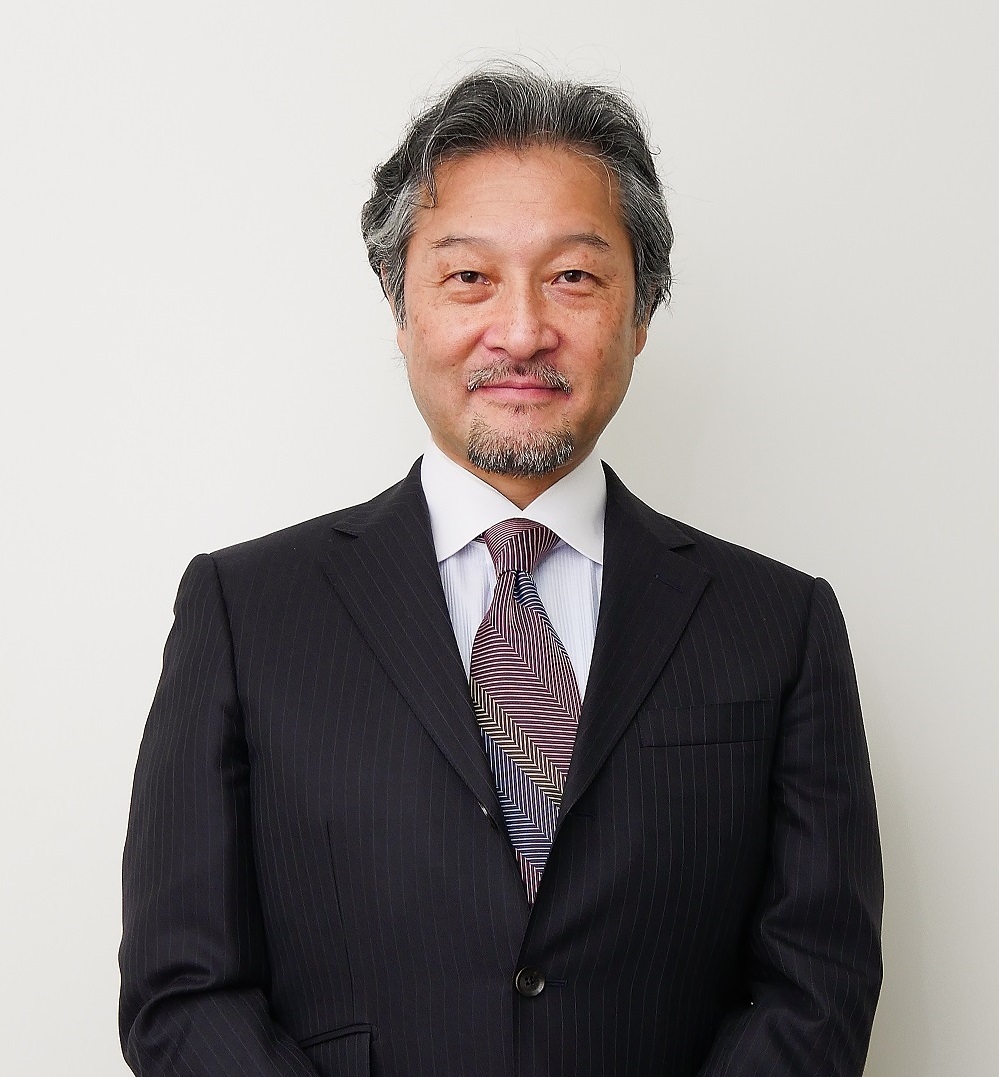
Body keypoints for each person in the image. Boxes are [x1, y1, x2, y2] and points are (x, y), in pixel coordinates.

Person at [119, 66, 883, 1077]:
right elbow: (182, 989)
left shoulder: (777, 624)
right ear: (401, 308)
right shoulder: (244, 611)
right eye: (469, 277)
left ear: (641, 314)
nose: (521, 332)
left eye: (573, 276)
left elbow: (817, 985)